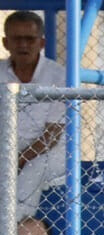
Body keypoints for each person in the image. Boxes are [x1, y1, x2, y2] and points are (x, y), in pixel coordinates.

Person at [0, 11, 66, 219]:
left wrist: (17, 160)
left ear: (42, 42)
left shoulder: (59, 76)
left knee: (32, 171)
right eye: (16, 39)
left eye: (29, 39)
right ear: (5, 42)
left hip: (46, 152)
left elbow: (53, 134)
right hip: (5, 149)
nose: (23, 45)